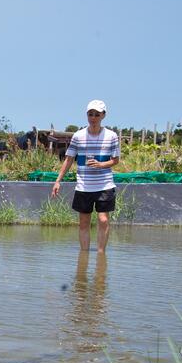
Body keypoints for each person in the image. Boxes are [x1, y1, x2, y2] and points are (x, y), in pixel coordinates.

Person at [51, 99, 121, 252]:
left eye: (97, 114)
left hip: (104, 185)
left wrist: (101, 165)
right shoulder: (78, 136)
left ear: (103, 115)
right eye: (90, 114)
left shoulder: (111, 136)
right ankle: (84, 254)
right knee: (84, 222)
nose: (93, 118)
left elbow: (115, 160)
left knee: (103, 220)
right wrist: (58, 181)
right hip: (84, 186)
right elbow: (69, 159)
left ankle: (101, 254)